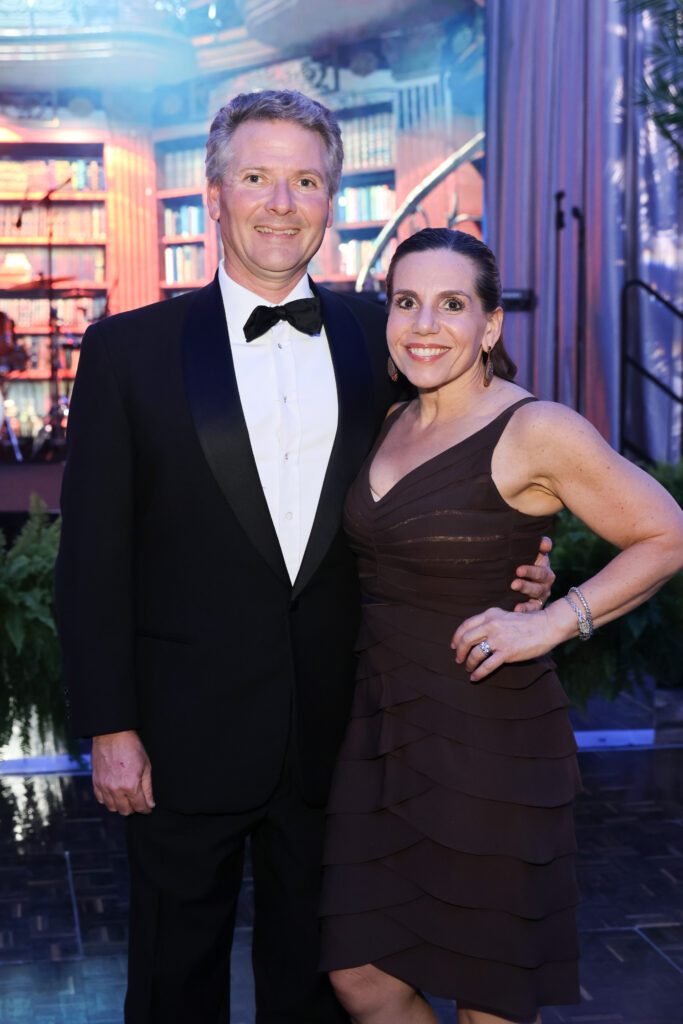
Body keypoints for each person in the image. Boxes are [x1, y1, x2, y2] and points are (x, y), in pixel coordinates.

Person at [55, 95, 553, 1024]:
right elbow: (90, 559)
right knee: (173, 980)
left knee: (322, 983)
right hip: (178, 735)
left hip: (347, 731)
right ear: (213, 195)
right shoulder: (127, 351)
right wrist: (109, 727)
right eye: (256, 177)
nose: (281, 203)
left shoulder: (389, 334)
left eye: (306, 180)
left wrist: (526, 560)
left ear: (328, 201)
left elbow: (488, 452)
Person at [319, 227, 683, 1024]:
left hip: (489, 736)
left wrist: (552, 620)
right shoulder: (388, 420)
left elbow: (667, 533)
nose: (424, 323)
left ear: (489, 326)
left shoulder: (534, 429)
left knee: (490, 997)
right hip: (380, 729)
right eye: (406, 302)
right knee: (359, 974)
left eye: (452, 304)